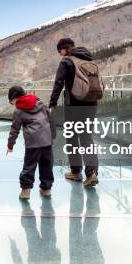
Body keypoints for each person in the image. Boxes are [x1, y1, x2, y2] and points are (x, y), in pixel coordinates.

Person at [49, 38, 99, 187]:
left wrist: (52, 103)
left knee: (72, 138)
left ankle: (76, 172)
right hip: (92, 105)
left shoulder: (67, 61)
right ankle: (92, 173)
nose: (60, 55)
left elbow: (58, 83)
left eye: (60, 52)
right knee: (86, 138)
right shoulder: (90, 61)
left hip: (74, 107)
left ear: (64, 50)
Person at [7, 85, 55, 200]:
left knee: (29, 166)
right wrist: (52, 135)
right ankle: (46, 189)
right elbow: (50, 119)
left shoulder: (19, 111)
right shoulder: (40, 103)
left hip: (33, 143)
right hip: (47, 140)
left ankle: (25, 191)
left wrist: (10, 145)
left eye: (11, 102)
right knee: (47, 164)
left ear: (15, 98)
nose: (12, 104)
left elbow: (14, 130)